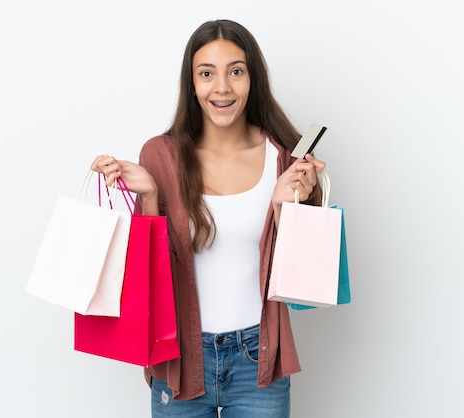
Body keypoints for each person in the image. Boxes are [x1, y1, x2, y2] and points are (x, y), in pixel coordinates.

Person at [91, 19, 326, 418]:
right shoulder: (159, 156)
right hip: (179, 358)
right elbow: (149, 276)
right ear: (191, 83)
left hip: (258, 363)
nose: (222, 87)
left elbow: (305, 280)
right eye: (206, 73)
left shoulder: (282, 157)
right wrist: (149, 195)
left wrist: (290, 204)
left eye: (236, 71)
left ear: (253, 78)